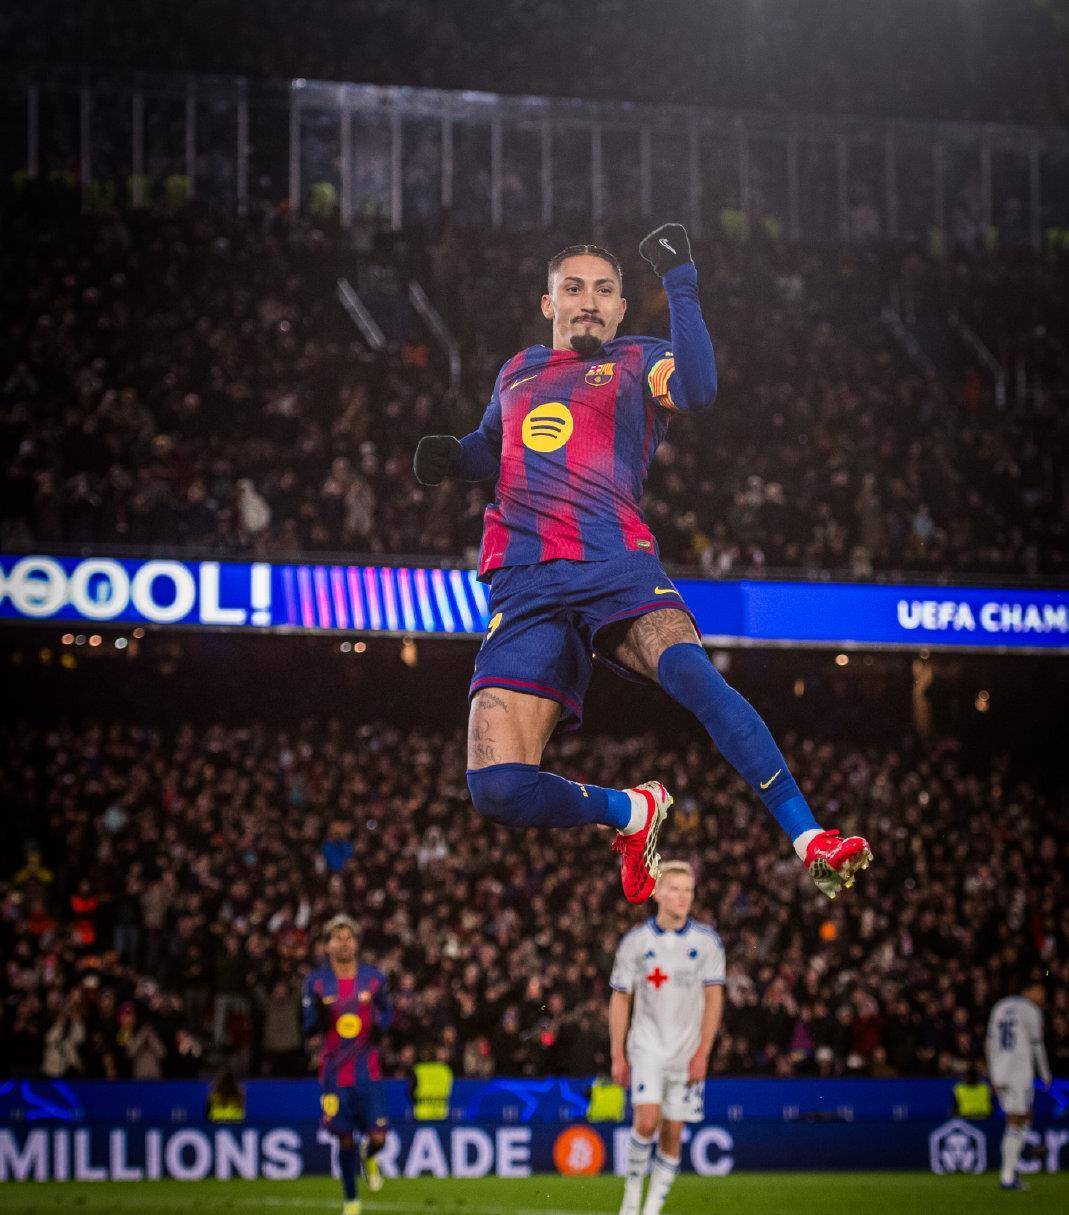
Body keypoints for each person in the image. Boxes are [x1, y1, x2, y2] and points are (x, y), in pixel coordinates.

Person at [414, 224, 871, 902]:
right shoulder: (516, 371)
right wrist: (456, 457)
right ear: (548, 303)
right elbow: (492, 444)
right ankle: (630, 810)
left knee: (690, 671)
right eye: (574, 289)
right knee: (498, 789)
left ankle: (810, 837)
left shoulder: (637, 358)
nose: (589, 301)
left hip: (612, 561)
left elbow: (698, 388)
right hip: (522, 581)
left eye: (604, 290)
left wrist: (680, 282)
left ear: (622, 307)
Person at [609, 861, 724, 1215]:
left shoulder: (707, 943)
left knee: (673, 1133)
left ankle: (651, 1209)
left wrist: (703, 1052)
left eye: (688, 890)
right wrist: (617, 1054)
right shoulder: (636, 942)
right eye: (674, 889)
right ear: (657, 893)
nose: (683, 897)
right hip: (647, 1045)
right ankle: (631, 1197)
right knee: (647, 1121)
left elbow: (714, 999)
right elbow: (620, 998)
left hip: (687, 1052)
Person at [303, 915, 392, 1215]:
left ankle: (370, 1154)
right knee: (344, 1137)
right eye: (337, 938)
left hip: (368, 1069)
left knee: (378, 1137)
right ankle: (351, 1200)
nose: (343, 943)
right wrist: (318, 1017)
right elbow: (308, 1027)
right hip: (334, 1072)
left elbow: (388, 1012)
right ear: (327, 945)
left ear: (356, 943)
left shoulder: (374, 978)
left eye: (348, 938)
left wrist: (380, 1027)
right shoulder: (316, 982)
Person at [986, 978, 1052, 1191]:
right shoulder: (1030, 1010)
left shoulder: (1000, 1006)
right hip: (1018, 1072)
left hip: (999, 1071)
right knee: (1017, 1122)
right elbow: (1037, 1044)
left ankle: (1010, 1171)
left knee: (1020, 1120)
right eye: (1040, 991)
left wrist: (992, 1072)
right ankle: (1007, 1176)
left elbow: (989, 1042)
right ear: (1029, 990)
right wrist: (1045, 1073)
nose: (1042, 996)